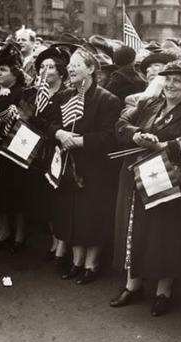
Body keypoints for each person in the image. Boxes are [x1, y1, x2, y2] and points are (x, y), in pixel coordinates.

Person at [111, 60, 181, 316]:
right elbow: (120, 126)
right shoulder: (149, 103)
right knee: (136, 230)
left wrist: (163, 146)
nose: (170, 84)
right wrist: (136, 135)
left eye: (177, 80)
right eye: (167, 79)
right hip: (137, 177)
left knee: (165, 236)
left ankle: (163, 292)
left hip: (172, 184)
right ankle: (133, 286)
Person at [48, 47, 121, 285]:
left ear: (91, 69)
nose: (70, 68)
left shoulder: (107, 100)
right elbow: (48, 124)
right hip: (68, 166)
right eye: (69, 64)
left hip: (95, 169)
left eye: (77, 64)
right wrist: (59, 133)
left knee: (92, 218)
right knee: (72, 215)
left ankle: (92, 264)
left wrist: (79, 141)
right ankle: (76, 262)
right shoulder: (63, 97)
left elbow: (110, 136)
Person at [0, 43, 28, 254]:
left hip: (14, 150)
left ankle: (19, 235)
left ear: (15, 71)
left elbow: (27, 123)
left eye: (3, 70)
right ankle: (3, 233)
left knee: (15, 194)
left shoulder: (23, 93)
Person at [27, 46, 70, 266]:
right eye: (42, 67)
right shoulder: (36, 95)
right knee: (45, 201)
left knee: (58, 200)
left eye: (51, 67)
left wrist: (41, 123)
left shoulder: (67, 96)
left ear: (61, 72)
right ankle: (53, 241)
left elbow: (63, 125)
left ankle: (62, 245)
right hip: (39, 153)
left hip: (58, 153)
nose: (46, 70)